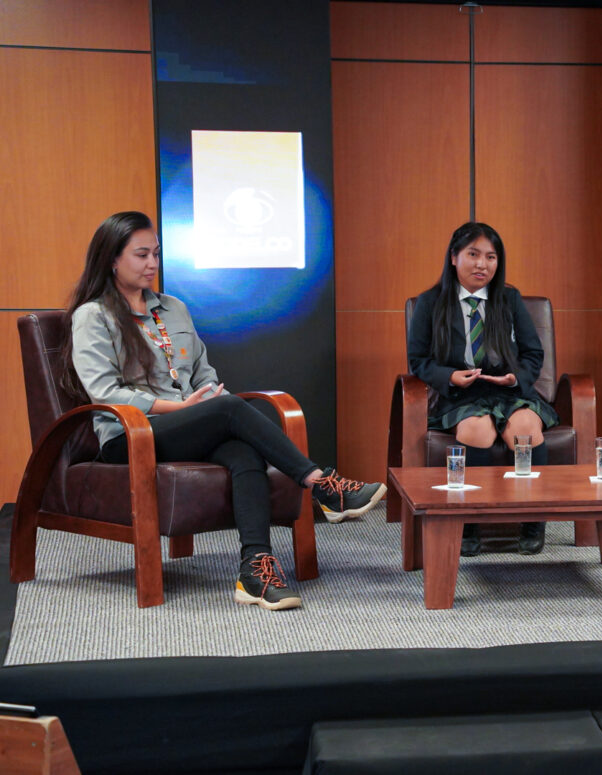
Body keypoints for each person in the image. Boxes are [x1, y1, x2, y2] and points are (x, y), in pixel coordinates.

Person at [62, 211, 386, 611]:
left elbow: (203, 373)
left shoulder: (174, 308)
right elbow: (105, 392)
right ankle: (323, 485)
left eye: (156, 254)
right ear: (112, 258)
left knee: (242, 449)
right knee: (230, 410)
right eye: (141, 255)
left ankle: (255, 570)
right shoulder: (93, 316)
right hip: (131, 435)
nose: (152, 264)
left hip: (188, 425)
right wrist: (185, 407)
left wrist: (206, 399)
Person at [407, 222, 558, 556]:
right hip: (461, 394)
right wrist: (449, 376)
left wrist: (515, 378)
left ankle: (532, 519)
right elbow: (418, 360)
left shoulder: (509, 298)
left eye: (491, 257)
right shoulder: (431, 303)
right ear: (453, 257)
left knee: (526, 429)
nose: (482, 264)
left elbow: (534, 354)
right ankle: (468, 523)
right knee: (477, 431)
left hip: (508, 390)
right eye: (473, 254)